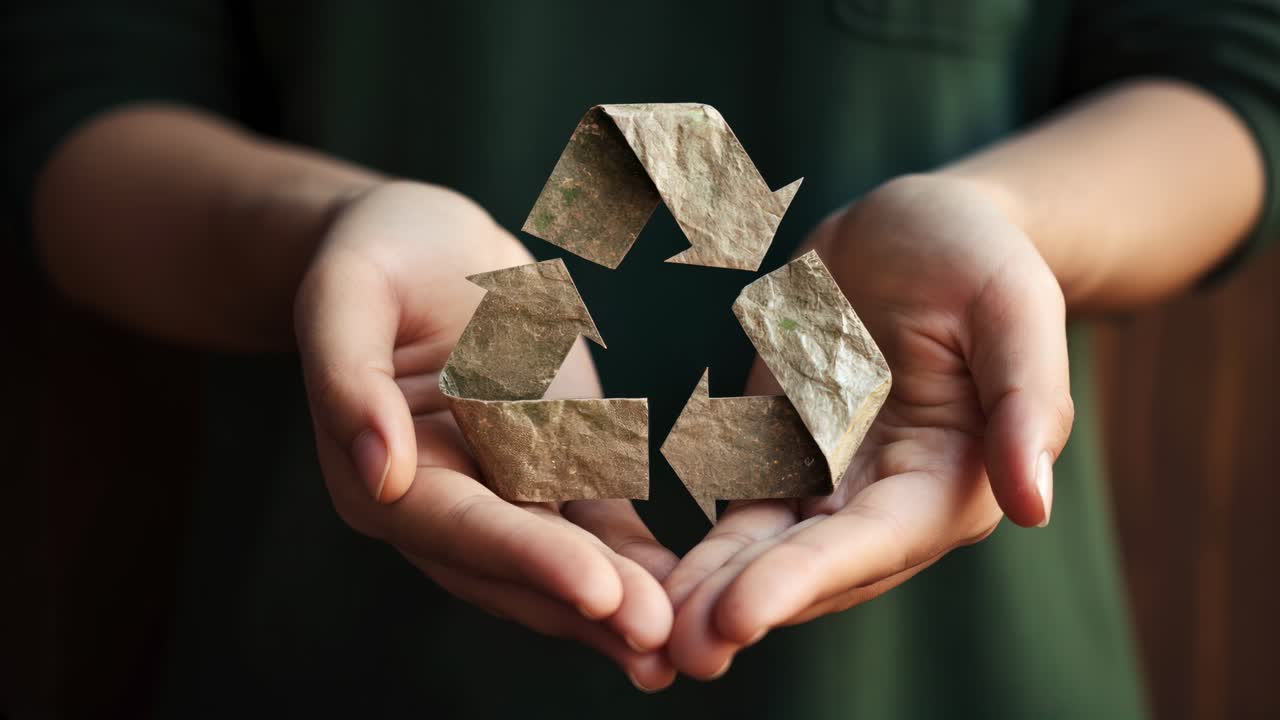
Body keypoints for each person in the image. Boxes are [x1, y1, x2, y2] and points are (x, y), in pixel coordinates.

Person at [5, 1, 1277, 717]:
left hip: (951, 672)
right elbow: (79, 100)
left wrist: (1003, 229)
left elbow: (1226, 78)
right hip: (342, 662)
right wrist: (324, 240)